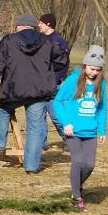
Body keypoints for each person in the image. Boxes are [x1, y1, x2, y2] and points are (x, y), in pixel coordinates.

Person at [0, 13, 68, 174]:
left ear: (20, 26)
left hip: (13, 89)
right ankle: (31, 167)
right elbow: (62, 61)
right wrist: (48, 72)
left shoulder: (9, 40)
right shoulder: (48, 41)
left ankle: (0, 144)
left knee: (4, 110)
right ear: (34, 27)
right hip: (39, 92)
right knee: (35, 129)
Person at [53, 46, 106, 210]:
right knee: (77, 161)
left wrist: (102, 130)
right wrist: (66, 122)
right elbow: (57, 102)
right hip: (73, 131)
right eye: (91, 68)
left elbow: (102, 109)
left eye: (97, 70)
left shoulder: (101, 84)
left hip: (90, 132)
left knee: (89, 165)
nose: (94, 73)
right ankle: (77, 197)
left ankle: (77, 186)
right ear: (85, 66)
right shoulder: (73, 81)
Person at [37, 13, 71, 148]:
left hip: (52, 86)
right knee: (40, 116)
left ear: (48, 24)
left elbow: (63, 65)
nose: (39, 25)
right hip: (39, 85)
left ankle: (69, 139)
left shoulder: (59, 42)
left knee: (56, 115)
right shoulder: (39, 40)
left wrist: (52, 80)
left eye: (41, 23)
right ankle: (42, 143)